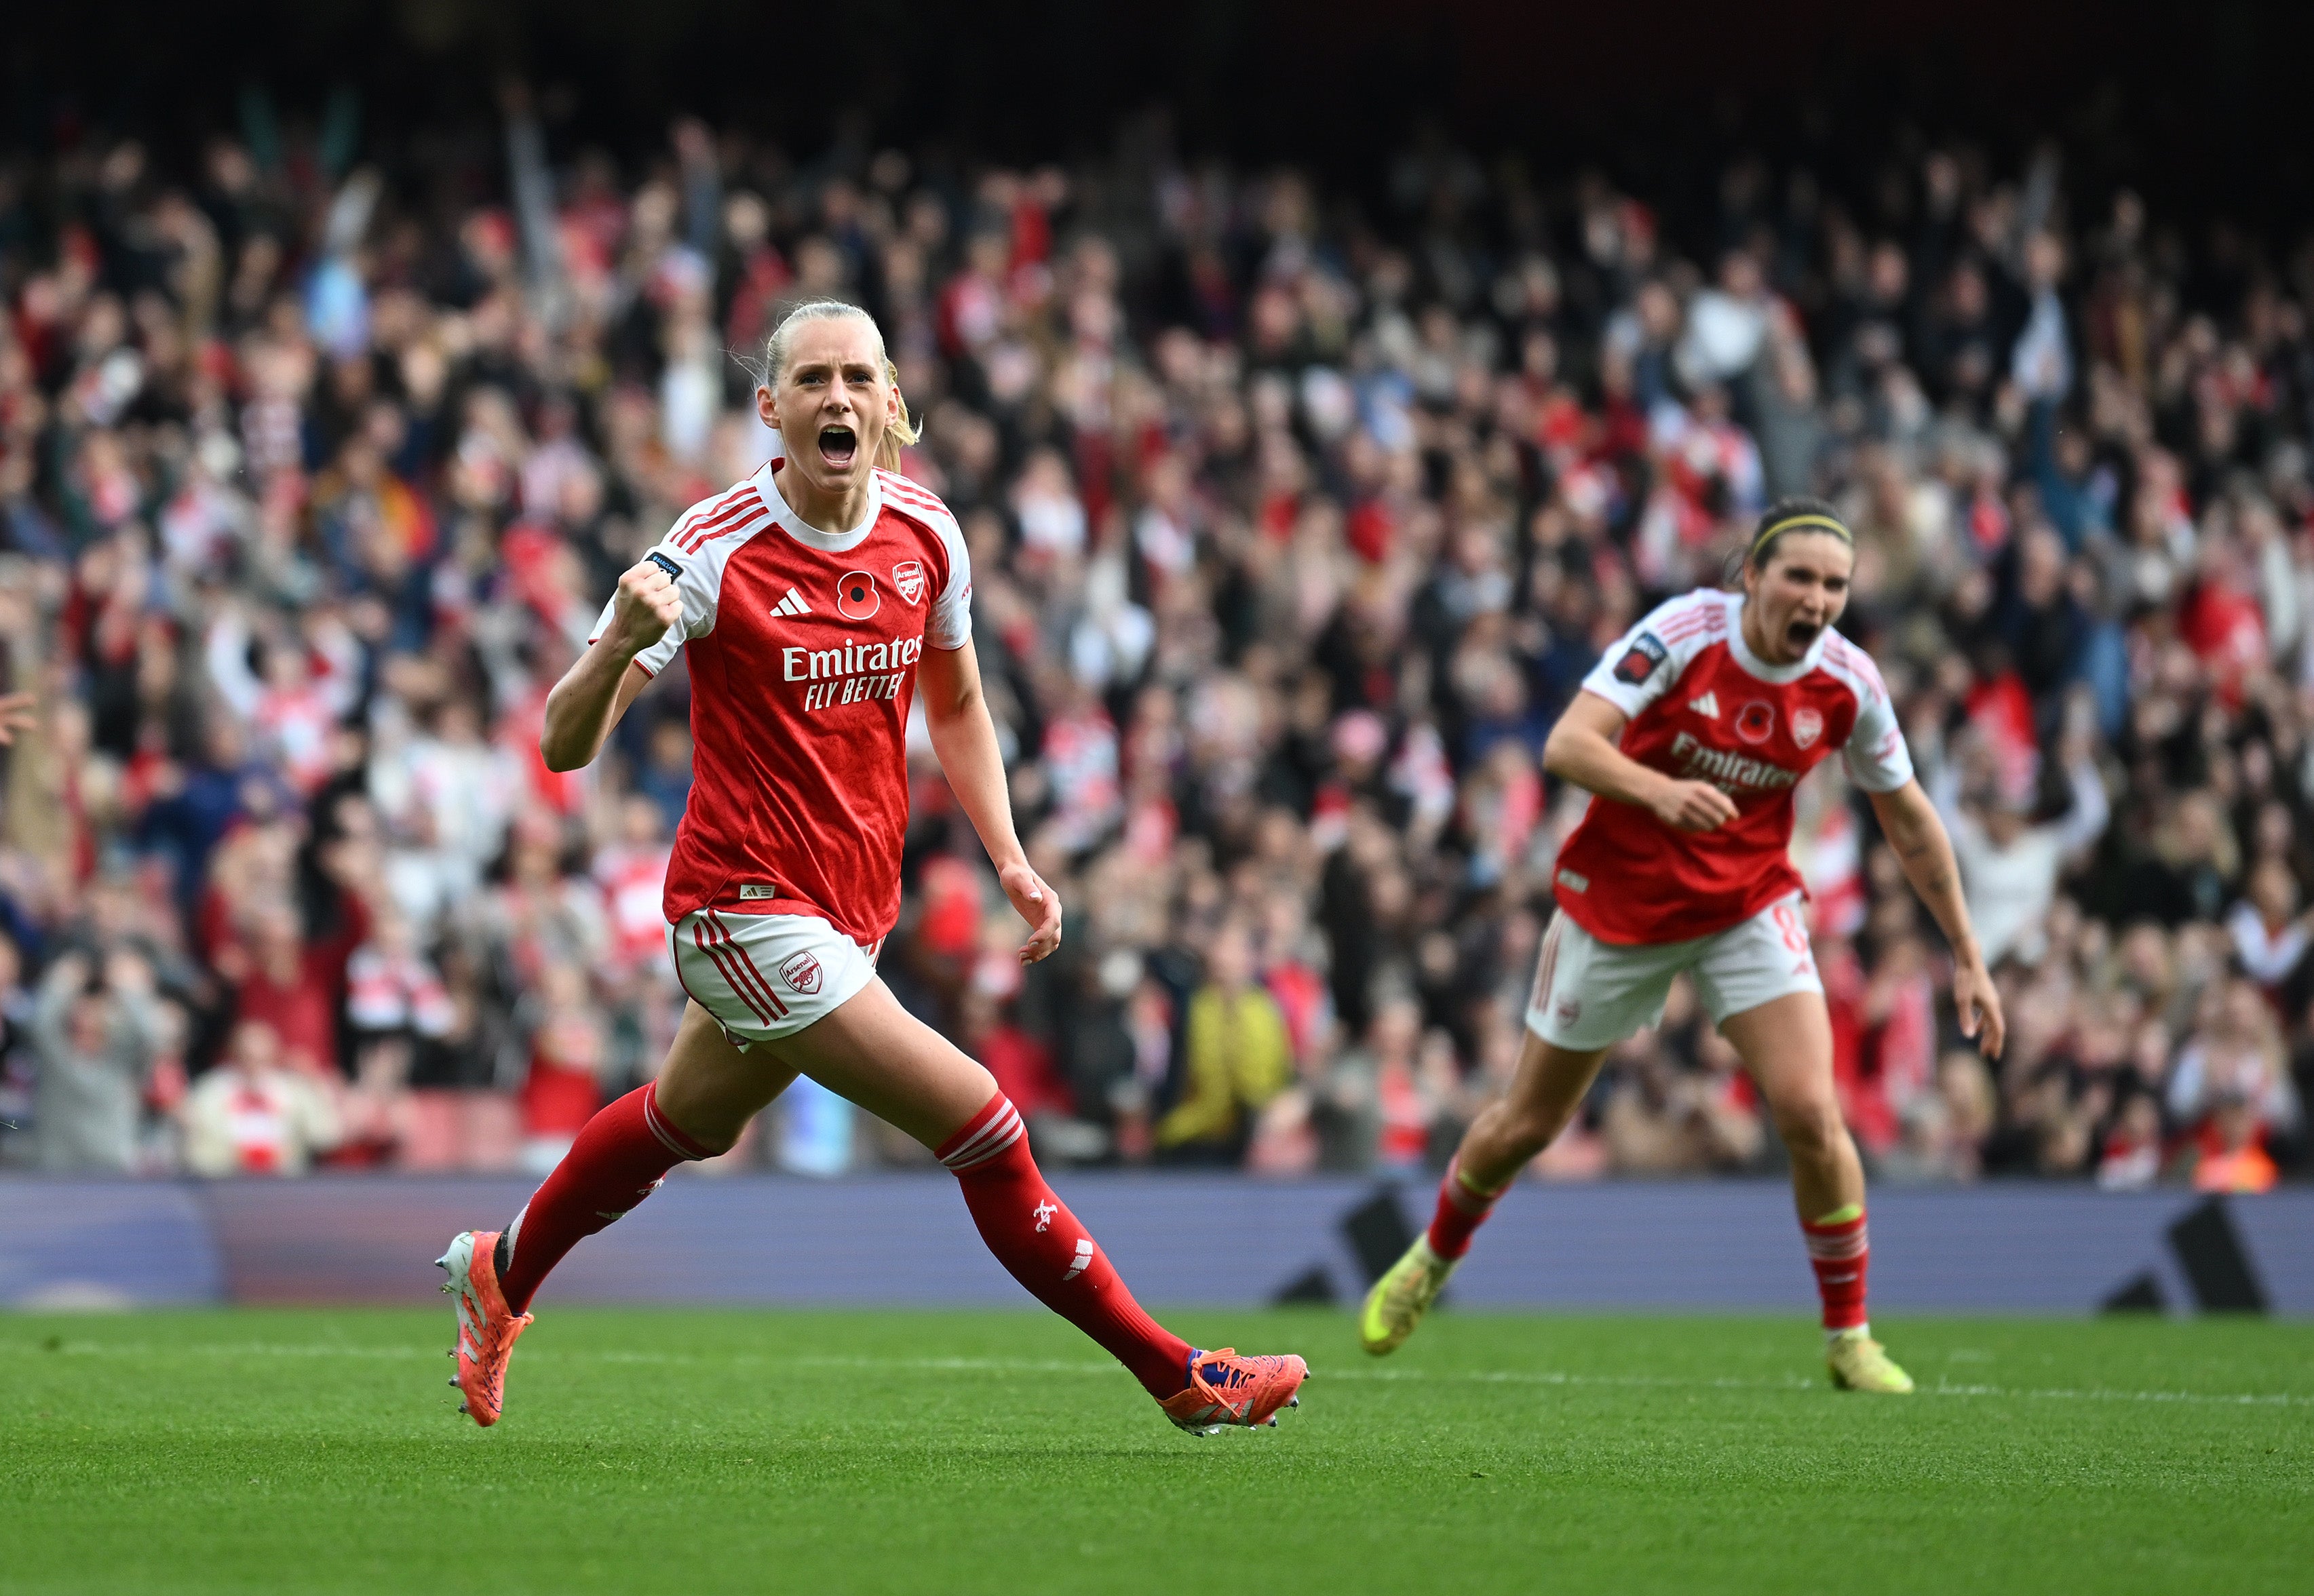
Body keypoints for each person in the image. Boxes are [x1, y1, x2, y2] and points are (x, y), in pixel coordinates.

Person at [435, 300, 1305, 1435]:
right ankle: (1180, 1374)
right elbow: (560, 744)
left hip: (850, 911)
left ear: (891, 400)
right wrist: (610, 644)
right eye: (812, 380)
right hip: (738, 912)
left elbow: (959, 702)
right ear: (772, 408)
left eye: (857, 377)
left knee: (683, 1123)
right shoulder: (709, 551)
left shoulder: (929, 535)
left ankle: (498, 1274)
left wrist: (1011, 857)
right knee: (986, 1126)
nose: (836, 397)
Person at [1359, 499, 2007, 1394]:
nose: (1818, 599)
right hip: (1617, 905)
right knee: (1528, 1125)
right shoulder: (1683, 631)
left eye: (1835, 584)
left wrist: (1968, 954)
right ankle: (1431, 1257)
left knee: (1812, 1112)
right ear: (1752, 575)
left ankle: (1849, 1335)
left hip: (1745, 903)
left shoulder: (1848, 682)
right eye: (1800, 577)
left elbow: (1909, 820)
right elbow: (1568, 744)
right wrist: (1659, 793)